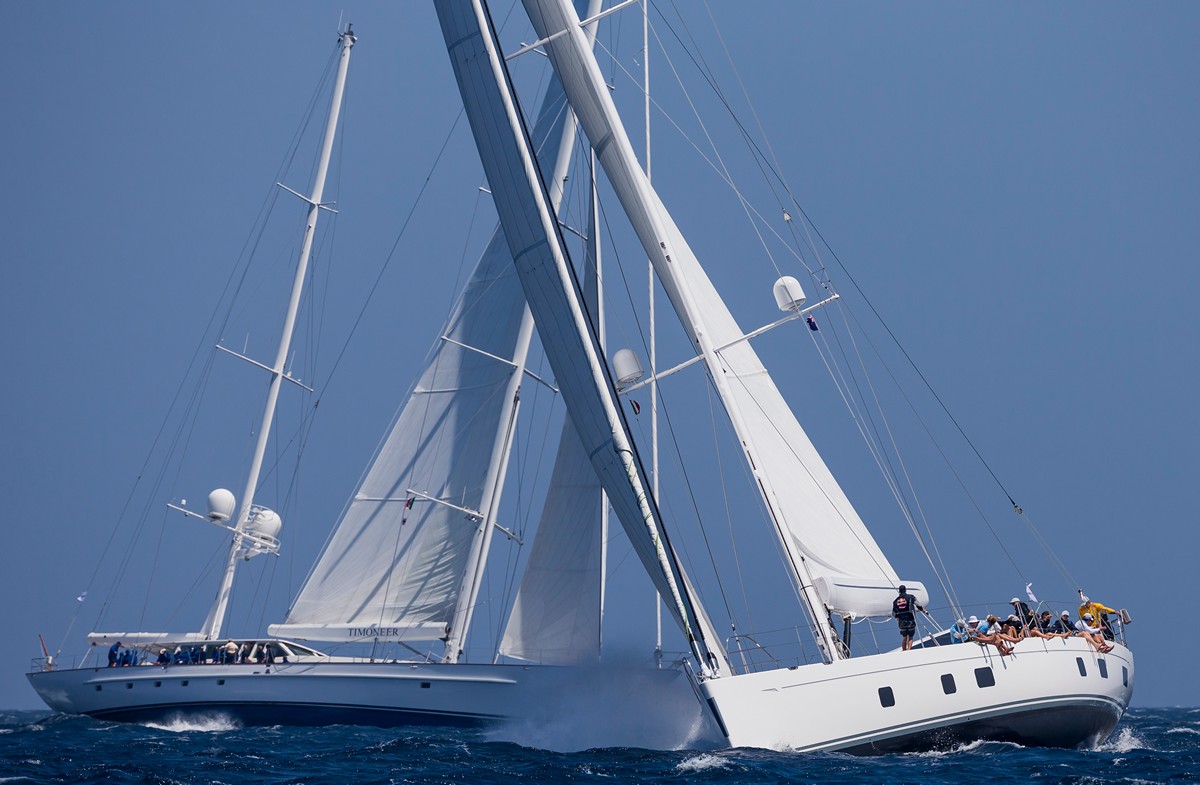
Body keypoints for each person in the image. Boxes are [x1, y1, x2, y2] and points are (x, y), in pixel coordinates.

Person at [892, 585, 924, 651]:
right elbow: (918, 604)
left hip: (901, 622)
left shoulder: (895, 601)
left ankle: (904, 651)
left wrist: (897, 616)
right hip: (910, 620)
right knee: (911, 637)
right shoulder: (911, 597)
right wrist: (922, 609)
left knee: (904, 637)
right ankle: (909, 650)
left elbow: (893, 613)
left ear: (899, 591)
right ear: (905, 590)